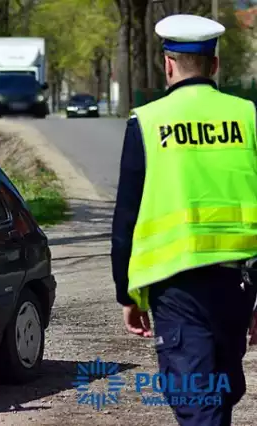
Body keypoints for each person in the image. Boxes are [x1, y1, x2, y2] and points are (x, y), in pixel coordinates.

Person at [111, 14, 257, 426]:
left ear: (168, 65)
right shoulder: (248, 117)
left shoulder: (148, 121)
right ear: (215, 66)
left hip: (177, 288)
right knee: (219, 397)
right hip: (239, 285)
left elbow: (126, 217)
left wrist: (127, 293)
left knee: (198, 401)